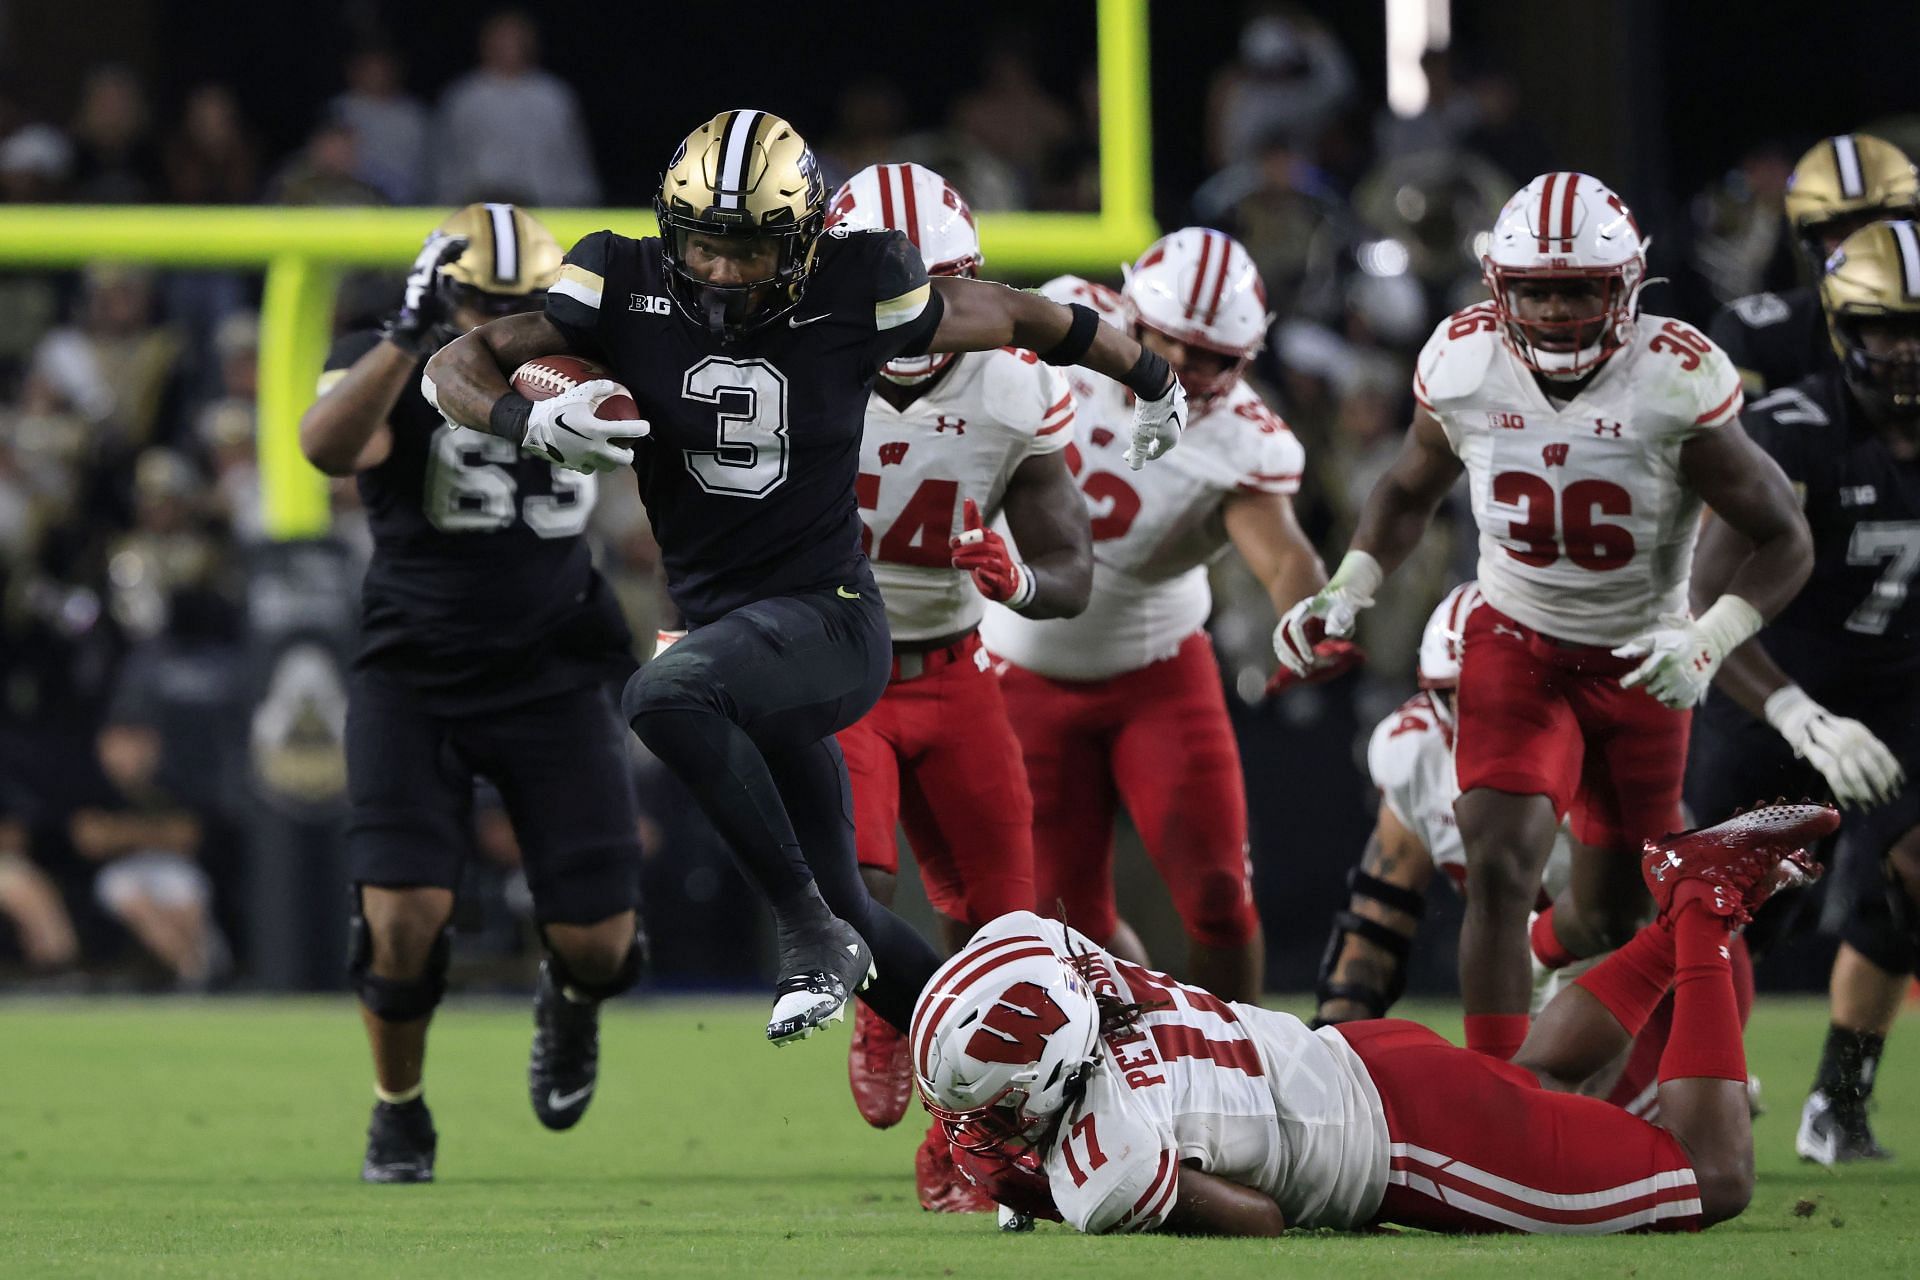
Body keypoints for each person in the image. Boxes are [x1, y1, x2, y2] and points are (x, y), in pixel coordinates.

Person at [421, 109, 1189, 1051]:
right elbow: (452, 365)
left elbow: (1026, 312)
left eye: (750, 252)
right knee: (865, 920)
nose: (723, 271)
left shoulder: (859, 287)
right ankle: (1036, 1084)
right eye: (704, 247)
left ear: (804, 243)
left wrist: (1149, 371)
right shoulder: (616, 282)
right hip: (728, 631)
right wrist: (524, 423)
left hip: (829, 622)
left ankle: (802, 929)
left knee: (662, 697)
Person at [1275, 172, 1815, 1063]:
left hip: (1641, 660)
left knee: (1611, 911)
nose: (1559, 311)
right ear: (1500, 289)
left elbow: (1783, 538)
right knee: (1497, 863)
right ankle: (1497, 1101)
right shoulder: (1464, 362)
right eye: (1538, 290)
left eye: (1578, 289)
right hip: (1516, 642)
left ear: (1628, 288)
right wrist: (1349, 585)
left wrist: (1707, 638)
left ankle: (1544, 968)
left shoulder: (1676, 378)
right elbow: (1407, 490)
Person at [913, 803, 1837, 1236]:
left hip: (1402, 1143)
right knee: (1537, 1086)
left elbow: (1260, 1220)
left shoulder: (1106, 1162)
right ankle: (1685, 909)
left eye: (995, 1107)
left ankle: (1706, 903)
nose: (975, 1126)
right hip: (1356, 1057)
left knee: (1711, 1180)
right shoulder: (1068, 966)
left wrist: (1044, 1190)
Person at [300, 202, 647, 1183]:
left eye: (516, 303)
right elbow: (328, 447)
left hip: (552, 668)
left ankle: (571, 1000)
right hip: (416, 671)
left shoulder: (593, 352)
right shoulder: (388, 355)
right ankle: (397, 1110)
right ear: (438, 293)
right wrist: (405, 340)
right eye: (471, 301)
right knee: (403, 918)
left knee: (599, 941)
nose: (488, 321)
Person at [824, 162, 1093, 1209]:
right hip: (841, 664)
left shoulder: (1015, 386)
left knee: (1008, 935)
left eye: (928, 292)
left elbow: (1072, 569)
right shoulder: (803, 371)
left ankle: (961, 1141)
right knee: (862, 881)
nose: (905, 320)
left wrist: (1021, 578)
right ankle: (887, 1002)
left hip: (955, 668)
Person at [981, 230, 1327, 1005]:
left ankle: (1243, 1065)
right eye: (1162, 343)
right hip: (1021, 673)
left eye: (1206, 357)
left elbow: (1281, 554)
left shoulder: (1243, 439)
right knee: (1063, 922)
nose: (1178, 369)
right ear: (1127, 313)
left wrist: (1311, 614)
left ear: (1245, 359)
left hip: (1157, 677)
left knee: (1215, 896)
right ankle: (1149, 1056)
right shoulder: (1065, 324)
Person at [1313, 584, 1754, 1117]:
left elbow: (1650, 917)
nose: (1480, 712)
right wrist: (1332, 1046)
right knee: (1494, 1121)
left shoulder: (1600, 745)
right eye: (1459, 695)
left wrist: (1539, 952)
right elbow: (1378, 916)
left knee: (1577, 1134)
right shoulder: (1413, 752)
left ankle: (1681, 1100)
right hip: (1535, 981)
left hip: (1653, 980)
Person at [1690, 219, 1920, 1164]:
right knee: (1711, 908)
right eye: (1881, 327)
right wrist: (1794, 712)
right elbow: (1705, 595)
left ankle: (1838, 1099)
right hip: (1771, 682)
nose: (1903, 350)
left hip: (1901, 688)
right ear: (1838, 328)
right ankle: (1668, 1084)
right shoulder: (1793, 430)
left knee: (1914, 878)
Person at [1710, 135, 1919, 398]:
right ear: (1811, 243)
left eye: (1875, 226)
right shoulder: (1760, 335)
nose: (1861, 245)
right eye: (1840, 231)